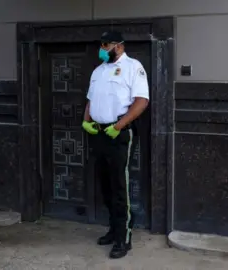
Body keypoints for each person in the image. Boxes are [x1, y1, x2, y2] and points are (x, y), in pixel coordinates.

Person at [82, 31, 149, 259]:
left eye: (105, 45)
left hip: (119, 134)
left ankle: (124, 237)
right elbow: (91, 100)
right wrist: (86, 121)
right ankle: (113, 229)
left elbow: (141, 102)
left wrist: (119, 126)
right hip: (99, 133)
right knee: (105, 185)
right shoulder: (98, 71)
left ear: (118, 46)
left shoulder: (133, 67)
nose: (101, 49)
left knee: (120, 186)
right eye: (101, 44)